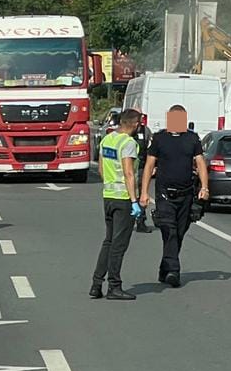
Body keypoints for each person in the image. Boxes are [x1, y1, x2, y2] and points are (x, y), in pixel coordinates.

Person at [140, 104, 210, 288]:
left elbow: (200, 163)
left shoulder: (192, 138)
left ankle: (165, 268)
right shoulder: (159, 138)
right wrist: (144, 193)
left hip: (186, 194)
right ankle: (174, 270)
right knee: (168, 230)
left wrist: (205, 187)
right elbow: (149, 165)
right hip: (164, 193)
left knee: (179, 232)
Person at [90, 107, 144, 301]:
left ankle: (96, 284)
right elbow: (129, 173)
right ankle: (114, 286)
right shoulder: (128, 143)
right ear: (135, 124)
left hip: (109, 196)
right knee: (118, 245)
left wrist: (109, 185)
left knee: (109, 241)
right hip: (123, 199)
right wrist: (134, 201)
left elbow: (102, 168)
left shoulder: (108, 139)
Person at [131, 114, 152, 233]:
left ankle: (141, 221)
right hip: (128, 166)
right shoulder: (126, 131)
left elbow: (151, 147)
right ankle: (127, 221)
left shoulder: (146, 131)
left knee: (142, 194)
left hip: (141, 167)